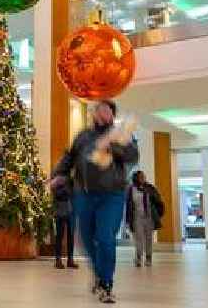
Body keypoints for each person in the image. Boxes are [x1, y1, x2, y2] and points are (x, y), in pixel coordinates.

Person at [53, 100, 138, 304]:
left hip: (112, 194)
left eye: (107, 110)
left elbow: (133, 155)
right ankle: (100, 274)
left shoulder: (121, 134)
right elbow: (69, 157)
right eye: (98, 109)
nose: (102, 112)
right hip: (84, 194)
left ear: (112, 114)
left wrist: (113, 146)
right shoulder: (83, 136)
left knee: (105, 237)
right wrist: (59, 174)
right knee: (86, 238)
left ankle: (106, 283)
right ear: (93, 113)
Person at [125, 170, 163, 267]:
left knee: (149, 238)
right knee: (139, 238)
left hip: (149, 217)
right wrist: (128, 220)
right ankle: (138, 257)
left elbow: (158, 200)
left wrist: (158, 213)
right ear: (136, 178)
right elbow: (128, 205)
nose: (143, 178)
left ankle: (148, 257)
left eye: (144, 176)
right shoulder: (131, 190)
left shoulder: (149, 188)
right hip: (137, 217)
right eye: (141, 177)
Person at [52, 176, 78, 270]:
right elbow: (57, 194)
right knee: (59, 235)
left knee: (71, 236)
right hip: (60, 210)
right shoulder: (58, 179)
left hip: (71, 211)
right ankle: (58, 259)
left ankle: (70, 259)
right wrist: (67, 190)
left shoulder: (74, 180)